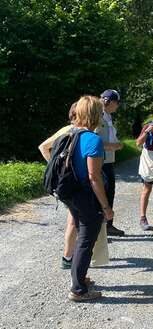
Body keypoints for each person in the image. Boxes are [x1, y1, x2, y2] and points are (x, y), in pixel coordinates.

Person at [67, 95, 114, 301]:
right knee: (87, 240)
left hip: (70, 193)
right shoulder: (92, 139)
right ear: (95, 114)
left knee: (81, 237)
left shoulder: (69, 134)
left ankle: (80, 279)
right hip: (85, 195)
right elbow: (94, 177)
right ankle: (78, 290)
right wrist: (106, 207)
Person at [38, 102, 78, 269]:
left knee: (74, 219)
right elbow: (43, 147)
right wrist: (57, 169)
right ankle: (68, 258)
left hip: (70, 181)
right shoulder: (68, 130)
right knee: (74, 220)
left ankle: (69, 256)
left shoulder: (77, 131)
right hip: (68, 182)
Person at [96, 89, 124, 236]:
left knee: (109, 192)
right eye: (117, 103)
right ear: (110, 102)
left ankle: (108, 226)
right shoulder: (97, 116)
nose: (117, 106)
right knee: (103, 194)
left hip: (108, 161)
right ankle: (101, 229)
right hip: (99, 162)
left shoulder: (107, 116)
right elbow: (94, 140)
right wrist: (113, 146)